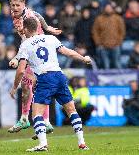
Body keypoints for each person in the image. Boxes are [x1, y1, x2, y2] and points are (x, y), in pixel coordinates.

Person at [10, 18, 91, 151]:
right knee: (72, 110)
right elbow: (68, 52)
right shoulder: (50, 38)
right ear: (37, 27)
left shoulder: (25, 44)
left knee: (36, 114)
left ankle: (42, 144)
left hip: (45, 78)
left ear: (25, 29)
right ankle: (82, 143)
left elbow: (20, 70)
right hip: (59, 76)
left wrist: (14, 87)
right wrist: (83, 58)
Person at [8, 0, 61, 135]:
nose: (15, 7)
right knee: (29, 86)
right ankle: (42, 121)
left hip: (37, 53)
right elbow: (38, 13)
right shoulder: (19, 13)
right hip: (32, 49)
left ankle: (36, 120)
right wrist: (47, 27)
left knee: (32, 85)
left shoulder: (28, 18)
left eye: (18, 5)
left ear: (23, 4)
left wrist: (17, 58)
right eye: (12, 4)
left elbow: (27, 42)